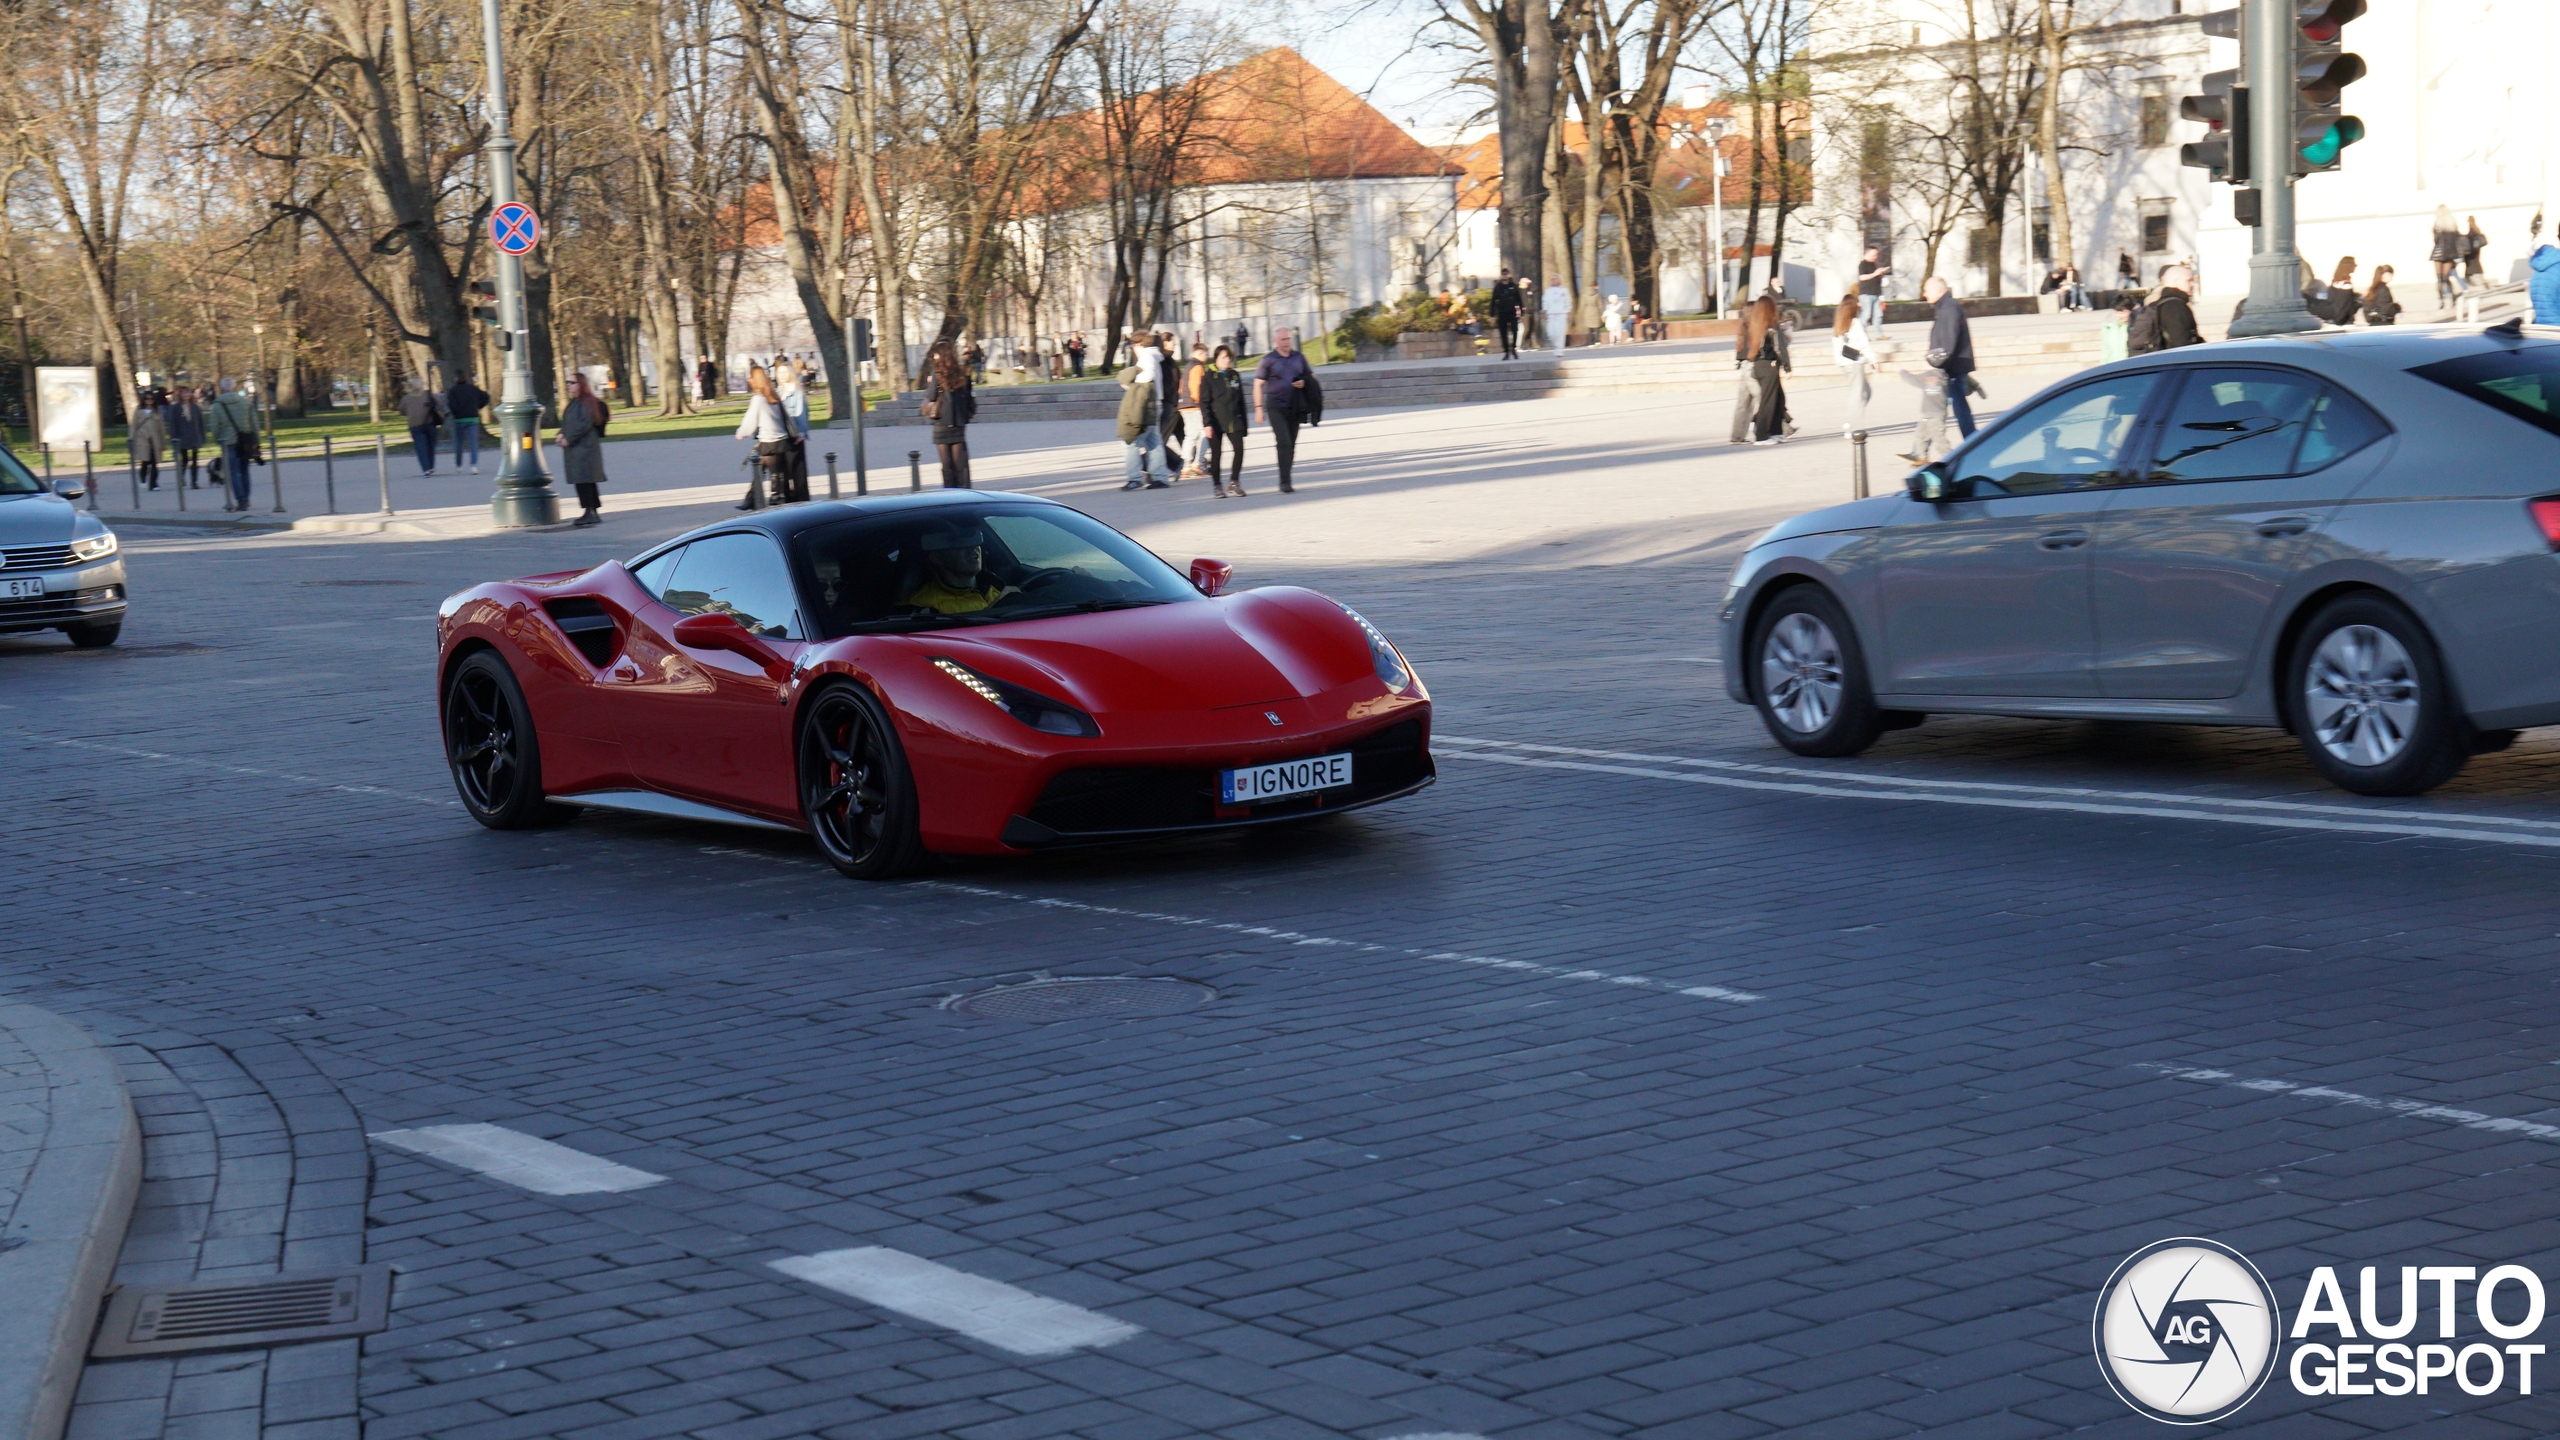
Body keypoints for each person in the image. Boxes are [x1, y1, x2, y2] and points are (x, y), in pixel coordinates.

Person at [1903, 277, 1975, 461]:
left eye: (1927, 290)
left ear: (1938, 290)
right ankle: (1918, 451)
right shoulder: (1946, 308)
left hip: (1949, 370)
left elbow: (1948, 343)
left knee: (1946, 410)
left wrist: (1933, 364)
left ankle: (1975, 444)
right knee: (1939, 409)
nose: (1924, 294)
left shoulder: (1949, 309)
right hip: (1950, 368)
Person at [1252, 326, 1315, 494]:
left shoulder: (1299, 357)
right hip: (1275, 406)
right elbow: (1258, 384)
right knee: (1284, 441)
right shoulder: (1268, 360)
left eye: (1288, 339)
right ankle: (1284, 481)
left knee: (1291, 444)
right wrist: (1258, 408)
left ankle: (1286, 476)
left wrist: (1303, 383)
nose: (1287, 342)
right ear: (1276, 341)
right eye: (1283, 340)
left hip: (1295, 406)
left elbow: (1310, 378)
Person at [903, 527, 1013, 614]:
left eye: (975, 539)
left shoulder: (997, 585)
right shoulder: (923, 606)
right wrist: (996, 607)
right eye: (959, 544)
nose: (972, 547)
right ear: (936, 557)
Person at [732, 363, 796, 509]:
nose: (749, 379)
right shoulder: (773, 396)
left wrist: (741, 432)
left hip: (769, 440)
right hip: (781, 440)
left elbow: (751, 420)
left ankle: (774, 499)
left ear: (755, 380)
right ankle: (754, 498)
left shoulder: (758, 399)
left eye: (750, 377)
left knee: (770, 471)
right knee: (764, 468)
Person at [555, 372, 610, 526]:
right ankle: (590, 511)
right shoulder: (575, 403)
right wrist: (561, 434)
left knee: (585, 479)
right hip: (578, 447)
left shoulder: (585, 402)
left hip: (584, 447)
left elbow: (584, 424)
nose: (568, 385)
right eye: (568, 382)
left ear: (581, 384)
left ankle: (590, 511)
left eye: (571, 382)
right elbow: (570, 424)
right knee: (583, 480)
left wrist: (568, 438)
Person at [921, 340, 975, 489]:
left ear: (942, 355)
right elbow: (968, 396)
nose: (935, 356)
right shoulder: (963, 373)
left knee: (946, 464)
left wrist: (930, 382)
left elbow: (931, 396)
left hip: (941, 422)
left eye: (937, 353)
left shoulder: (937, 374)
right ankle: (964, 491)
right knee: (960, 464)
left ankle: (949, 491)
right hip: (957, 421)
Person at [1117, 344, 1169, 490]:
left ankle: (1135, 477)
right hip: (1155, 403)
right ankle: (1160, 477)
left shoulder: (1146, 357)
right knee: (1153, 441)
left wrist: (1128, 380)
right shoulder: (1155, 356)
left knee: (1131, 442)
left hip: (1145, 406)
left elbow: (1146, 377)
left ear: (1138, 344)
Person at [1201, 344, 1249, 498]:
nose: (1226, 360)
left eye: (1228, 357)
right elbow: (1204, 402)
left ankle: (1234, 481)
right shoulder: (1208, 377)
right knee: (1216, 454)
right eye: (1223, 357)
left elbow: (1241, 400)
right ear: (1216, 359)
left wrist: (1244, 425)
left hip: (1234, 420)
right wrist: (1207, 423)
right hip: (1216, 421)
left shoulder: (1234, 375)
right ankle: (1217, 486)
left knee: (1239, 450)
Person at [205, 378, 258, 511]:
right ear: (235, 387)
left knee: (233, 472)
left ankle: (240, 500)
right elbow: (254, 424)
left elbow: (215, 426)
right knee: (245, 471)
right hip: (245, 440)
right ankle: (246, 499)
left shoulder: (218, 404)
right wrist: (256, 442)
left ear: (222, 388)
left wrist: (219, 439)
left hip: (228, 442)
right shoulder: (245, 402)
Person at [1747, 298, 1793, 445]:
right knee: (1768, 401)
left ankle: (1776, 431)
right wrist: (1787, 367)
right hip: (1769, 365)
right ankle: (1761, 435)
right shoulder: (1772, 326)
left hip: (1758, 364)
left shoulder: (1755, 326)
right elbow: (1780, 348)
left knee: (1778, 398)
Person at [1832, 294, 1873, 441]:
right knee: (1857, 394)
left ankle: (1851, 419)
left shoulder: (1839, 322)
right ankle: (1854, 427)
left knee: (1866, 391)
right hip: (1854, 362)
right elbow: (1864, 343)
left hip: (1844, 362)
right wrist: (1873, 360)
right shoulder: (1855, 322)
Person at [1728, 302, 1766, 446]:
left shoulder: (1743, 327)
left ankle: (1737, 435)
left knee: (1743, 403)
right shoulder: (1755, 327)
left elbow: (1740, 350)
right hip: (1752, 367)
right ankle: (1780, 428)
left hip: (1744, 367)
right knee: (1763, 398)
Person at [2142, 263, 2203, 351]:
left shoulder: (2164, 303)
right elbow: (2182, 343)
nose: (2193, 284)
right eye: (2189, 280)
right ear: (2175, 282)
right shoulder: (2175, 307)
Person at [775, 359, 812, 501]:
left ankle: (802, 500)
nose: (782, 375)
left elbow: (801, 413)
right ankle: (788, 499)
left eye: (785, 372)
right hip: (782, 435)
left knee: (798, 471)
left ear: (790, 373)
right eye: (780, 372)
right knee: (784, 471)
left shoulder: (796, 390)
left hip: (795, 434)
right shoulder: (777, 391)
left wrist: (801, 433)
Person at [1176, 341, 1210, 478]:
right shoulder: (1197, 367)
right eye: (1205, 354)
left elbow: (1181, 387)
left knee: (1190, 436)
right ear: (1200, 354)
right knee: (1205, 433)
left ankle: (1185, 466)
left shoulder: (1187, 367)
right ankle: (1198, 462)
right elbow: (1195, 387)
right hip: (1195, 405)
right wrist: (1200, 402)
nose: (1206, 357)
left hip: (1184, 405)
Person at [445, 372, 489, 475]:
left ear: (455, 379)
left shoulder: (453, 390)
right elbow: (485, 396)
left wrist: (455, 412)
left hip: (459, 419)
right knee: (473, 443)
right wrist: (478, 406)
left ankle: (459, 465)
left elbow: (451, 404)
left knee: (459, 443)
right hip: (473, 418)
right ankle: (473, 466)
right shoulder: (473, 388)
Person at [398, 378, 443, 476]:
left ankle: (426, 468)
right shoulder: (427, 394)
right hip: (429, 423)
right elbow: (439, 403)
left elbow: (401, 410)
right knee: (431, 446)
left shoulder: (406, 398)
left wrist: (411, 412)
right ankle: (431, 466)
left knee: (421, 448)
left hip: (415, 425)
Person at [162, 388, 202, 490]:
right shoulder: (176, 408)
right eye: (183, 393)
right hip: (182, 437)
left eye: (187, 392)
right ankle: (181, 477)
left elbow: (200, 423)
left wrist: (201, 436)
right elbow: (173, 424)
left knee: (195, 460)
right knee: (184, 460)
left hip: (194, 437)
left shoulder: (195, 407)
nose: (186, 395)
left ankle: (194, 481)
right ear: (180, 395)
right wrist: (174, 438)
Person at [130, 391, 168, 491]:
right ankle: (143, 478)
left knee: (155, 463)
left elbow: (161, 428)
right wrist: (131, 439)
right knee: (145, 462)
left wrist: (163, 442)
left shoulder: (156, 412)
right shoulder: (139, 411)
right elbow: (133, 426)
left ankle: (154, 483)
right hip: (142, 439)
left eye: (151, 399)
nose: (149, 401)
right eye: (147, 399)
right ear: (144, 400)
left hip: (155, 440)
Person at [2432, 206, 2467, 306]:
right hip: (2449, 252)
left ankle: (2442, 301)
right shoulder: (2452, 223)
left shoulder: (2437, 223)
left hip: (2438, 252)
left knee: (2439, 279)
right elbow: (2456, 239)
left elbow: (2436, 240)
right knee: (2446, 277)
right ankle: (2452, 299)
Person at [1491, 268, 1524, 359]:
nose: (1505, 276)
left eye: (1506, 274)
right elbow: (1493, 302)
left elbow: (1519, 300)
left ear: (1509, 275)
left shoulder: (1513, 286)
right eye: (1503, 274)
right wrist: (1492, 315)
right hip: (1502, 313)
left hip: (1512, 313)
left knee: (1515, 331)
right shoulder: (1498, 287)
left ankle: (1513, 348)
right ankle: (1506, 351)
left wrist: (1522, 313)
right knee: (1503, 333)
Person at [1855, 246, 1890, 330]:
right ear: (1866, 254)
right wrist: (1875, 273)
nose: (1875, 257)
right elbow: (1862, 277)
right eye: (1873, 255)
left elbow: (1875, 276)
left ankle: (1879, 334)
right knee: (1866, 314)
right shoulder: (1863, 264)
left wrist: (1881, 273)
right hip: (1866, 294)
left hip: (1876, 293)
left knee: (1878, 314)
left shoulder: (1874, 264)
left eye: (1876, 255)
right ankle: (1861, 334)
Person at [1540, 274, 1572, 354]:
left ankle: (1560, 349)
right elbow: (1545, 302)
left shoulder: (1564, 290)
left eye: (1555, 279)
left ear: (1559, 280)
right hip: (1551, 314)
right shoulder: (1548, 291)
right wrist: (1545, 311)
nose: (1553, 280)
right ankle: (1556, 345)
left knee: (1560, 333)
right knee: (1551, 333)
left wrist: (1568, 313)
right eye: (1552, 279)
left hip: (1561, 313)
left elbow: (1568, 302)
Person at [2464, 215, 2489, 289]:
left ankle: (2480, 283)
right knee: (2476, 263)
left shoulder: (2472, 230)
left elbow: (2470, 241)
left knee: (2472, 265)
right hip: (2476, 250)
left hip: (2472, 252)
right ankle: (2483, 282)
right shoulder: (2476, 229)